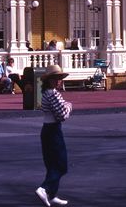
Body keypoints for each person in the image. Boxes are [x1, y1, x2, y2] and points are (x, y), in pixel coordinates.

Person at [35, 64, 72, 207]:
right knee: (61, 165)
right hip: (54, 130)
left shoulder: (46, 93)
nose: (59, 81)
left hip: (47, 129)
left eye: (60, 78)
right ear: (49, 80)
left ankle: (52, 194)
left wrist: (65, 105)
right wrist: (69, 106)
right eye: (56, 78)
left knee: (51, 164)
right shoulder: (53, 94)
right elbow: (62, 115)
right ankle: (44, 188)